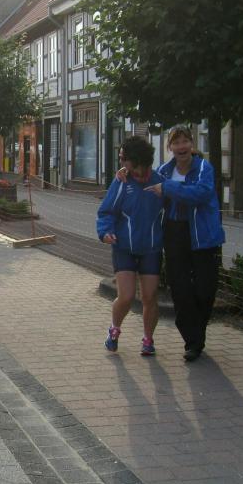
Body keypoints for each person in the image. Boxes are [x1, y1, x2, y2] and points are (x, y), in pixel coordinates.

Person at [144, 126, 225, 362]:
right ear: (170, 147)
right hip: (174, 232)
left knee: (205, 289)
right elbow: (144, 184)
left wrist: (168, 188)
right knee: (180, 289)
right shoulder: (164, 171)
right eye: (176, 143)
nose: (181, 147)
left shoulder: (204, 168)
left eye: (185, 141)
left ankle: (196, 333)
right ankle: (193, 342)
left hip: (203, 234)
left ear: (192, 144)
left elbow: (200, 193)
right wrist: (124, 172)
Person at [96, 136, 165, 356]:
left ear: (139, 161)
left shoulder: (160, 182)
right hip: (124, 247)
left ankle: (148, 339)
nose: (122, 163)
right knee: (126, 296)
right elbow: (106, 211)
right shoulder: (122, 181)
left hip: (151, 248)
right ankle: (114, 329)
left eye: (124, 159)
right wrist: (105, 232)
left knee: (149, 297)